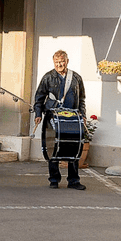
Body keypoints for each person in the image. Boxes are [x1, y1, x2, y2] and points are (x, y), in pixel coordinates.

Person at [34, 49, 87, 190]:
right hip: (53, 117)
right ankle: (54, 179)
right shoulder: (48, 77)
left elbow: (81, 99)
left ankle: (74, 181)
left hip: (72, 118)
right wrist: (38, 114)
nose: (59, 65)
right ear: (53, 62)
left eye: (62, 62)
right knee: (53, 147)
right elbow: (39, 97)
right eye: (56, 62)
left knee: (74, 146)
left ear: (67, 61)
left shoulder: (76, 78)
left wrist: (83, 115)